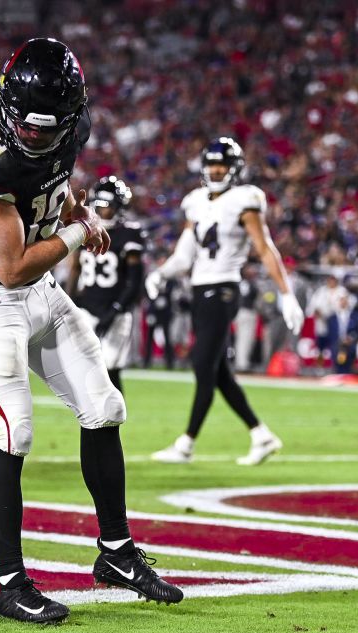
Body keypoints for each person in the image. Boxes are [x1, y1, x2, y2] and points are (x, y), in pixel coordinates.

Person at [0, 38, 183, 624]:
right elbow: (12, 263)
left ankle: (117, 552)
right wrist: (78, 235)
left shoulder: (66, 132)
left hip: (43, 295)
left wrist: (76, 211)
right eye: (26, 129)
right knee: (13, 434)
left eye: (48, 130)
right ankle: (10, 583)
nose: (36, 138)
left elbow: (53, 186)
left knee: (104, 407)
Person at [145, 137, 304, 465]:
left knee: (203, 365)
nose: (216, 170)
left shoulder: (245, 200)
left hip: (225, 288)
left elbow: (264, 248)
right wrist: (161, 274)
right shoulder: (195, 202)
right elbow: (184, 254)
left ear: (235, 168)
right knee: (217, 372)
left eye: (223, 165)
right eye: (212, 164)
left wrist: (286, 293)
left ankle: (186, 443)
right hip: (200, 291)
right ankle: (261, 435)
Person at [68, 175, 146, 392]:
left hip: (117, 310)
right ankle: (91, 417)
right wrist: (70, 301)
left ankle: (113, 420)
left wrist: (115, 310)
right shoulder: (85, 229)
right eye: (100, 205)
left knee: (110, 368)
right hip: (88, 307)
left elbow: (135, 280)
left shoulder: (129, 233)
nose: (104, 211)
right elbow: (75, 268)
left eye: (109, 206)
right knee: (82, 367)